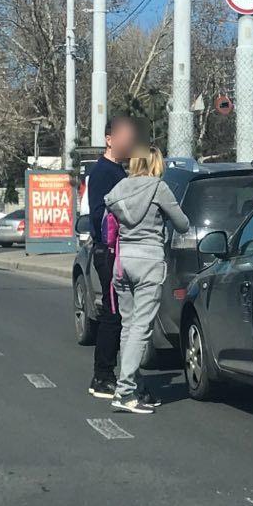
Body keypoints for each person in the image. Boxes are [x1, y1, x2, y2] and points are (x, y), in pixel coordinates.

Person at [103, 147, 189, 414]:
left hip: (123, 261)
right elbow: (183, 223)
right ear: (155, 163)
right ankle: (125, 391)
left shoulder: (118, 189)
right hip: (149, 261)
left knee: (128, 326)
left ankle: (133, 383)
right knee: (142, 328)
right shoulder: (158, 188)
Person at [87, 115, 138, 399]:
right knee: (114, 312)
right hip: (109, 252)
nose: (130, 142)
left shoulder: (117, 171)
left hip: (119, 251)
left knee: (120, 312)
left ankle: (111, 373)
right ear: (110, 139)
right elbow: (99, 214)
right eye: (125, 137)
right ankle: (102, 375)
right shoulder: (103, 172)